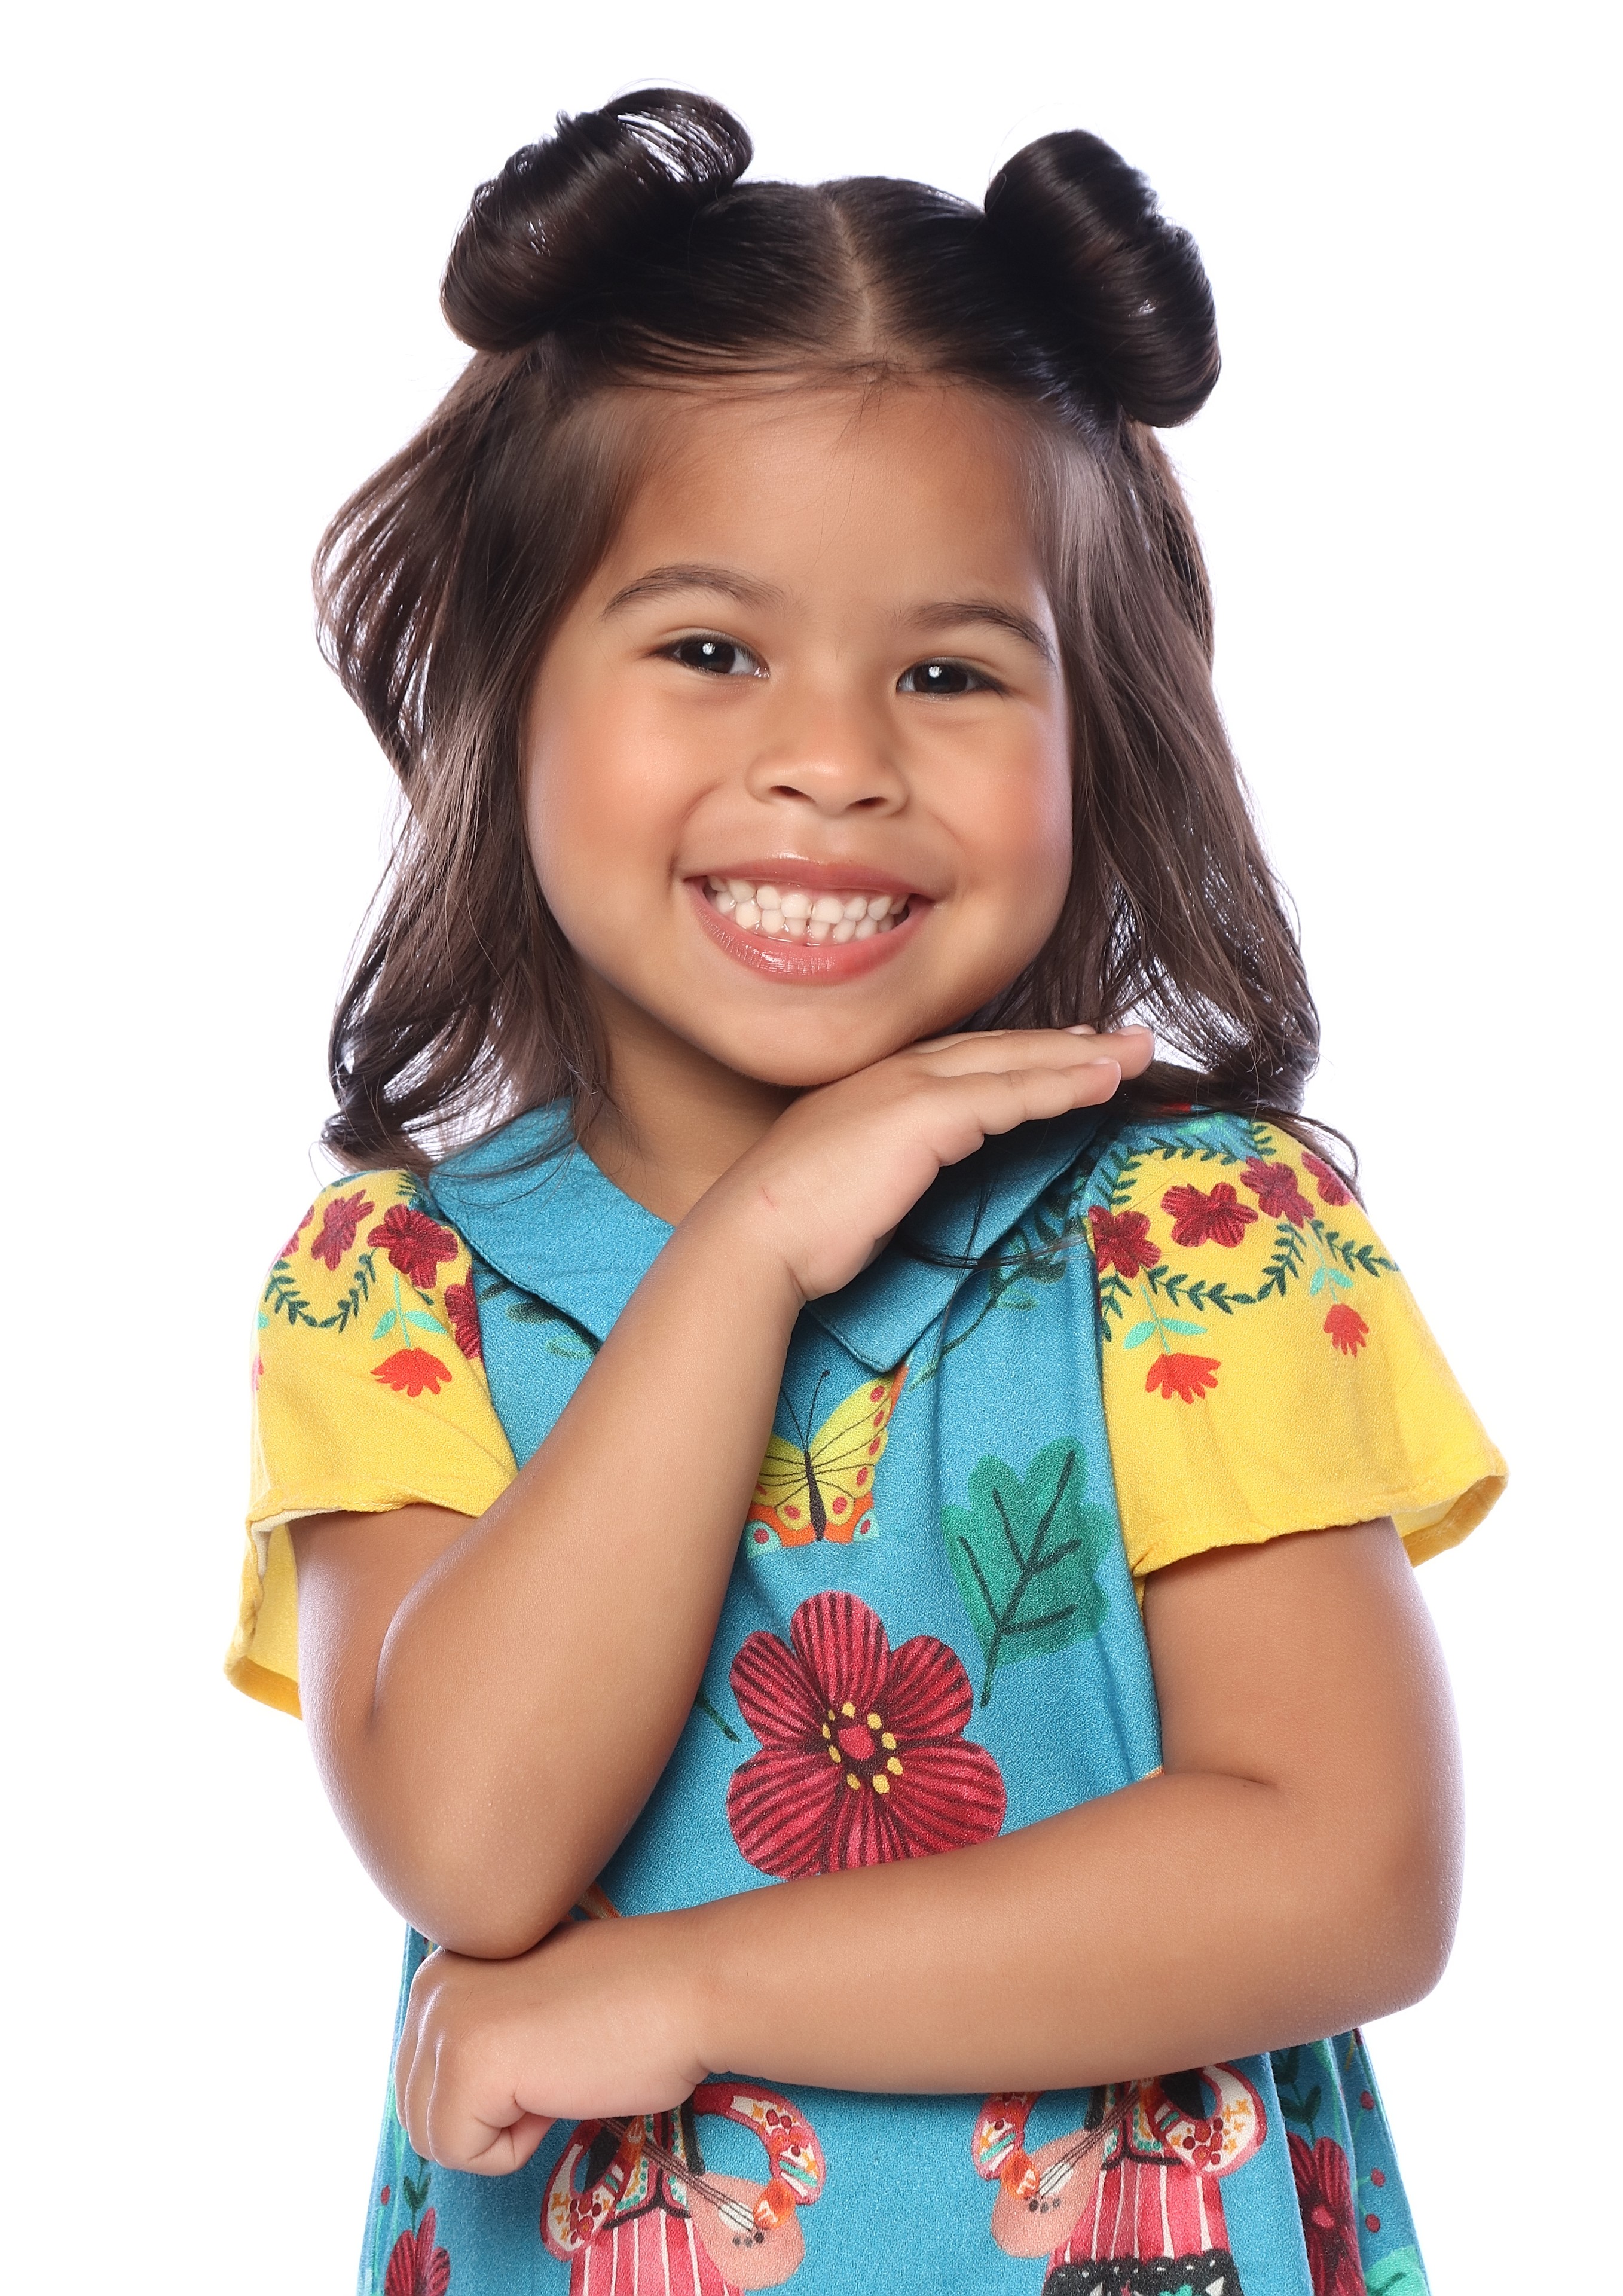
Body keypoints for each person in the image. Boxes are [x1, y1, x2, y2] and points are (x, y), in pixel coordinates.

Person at [228, 89, 1505, 2296]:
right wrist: (745, 1257)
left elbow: (1343, 1873)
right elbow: (470, 1842)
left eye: (947, 671)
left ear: (1100, 730)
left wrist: (693, 1989)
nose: (833, 760)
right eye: (708, 649)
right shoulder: (397, 1286)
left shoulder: (1188, 1243)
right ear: (503, 687)